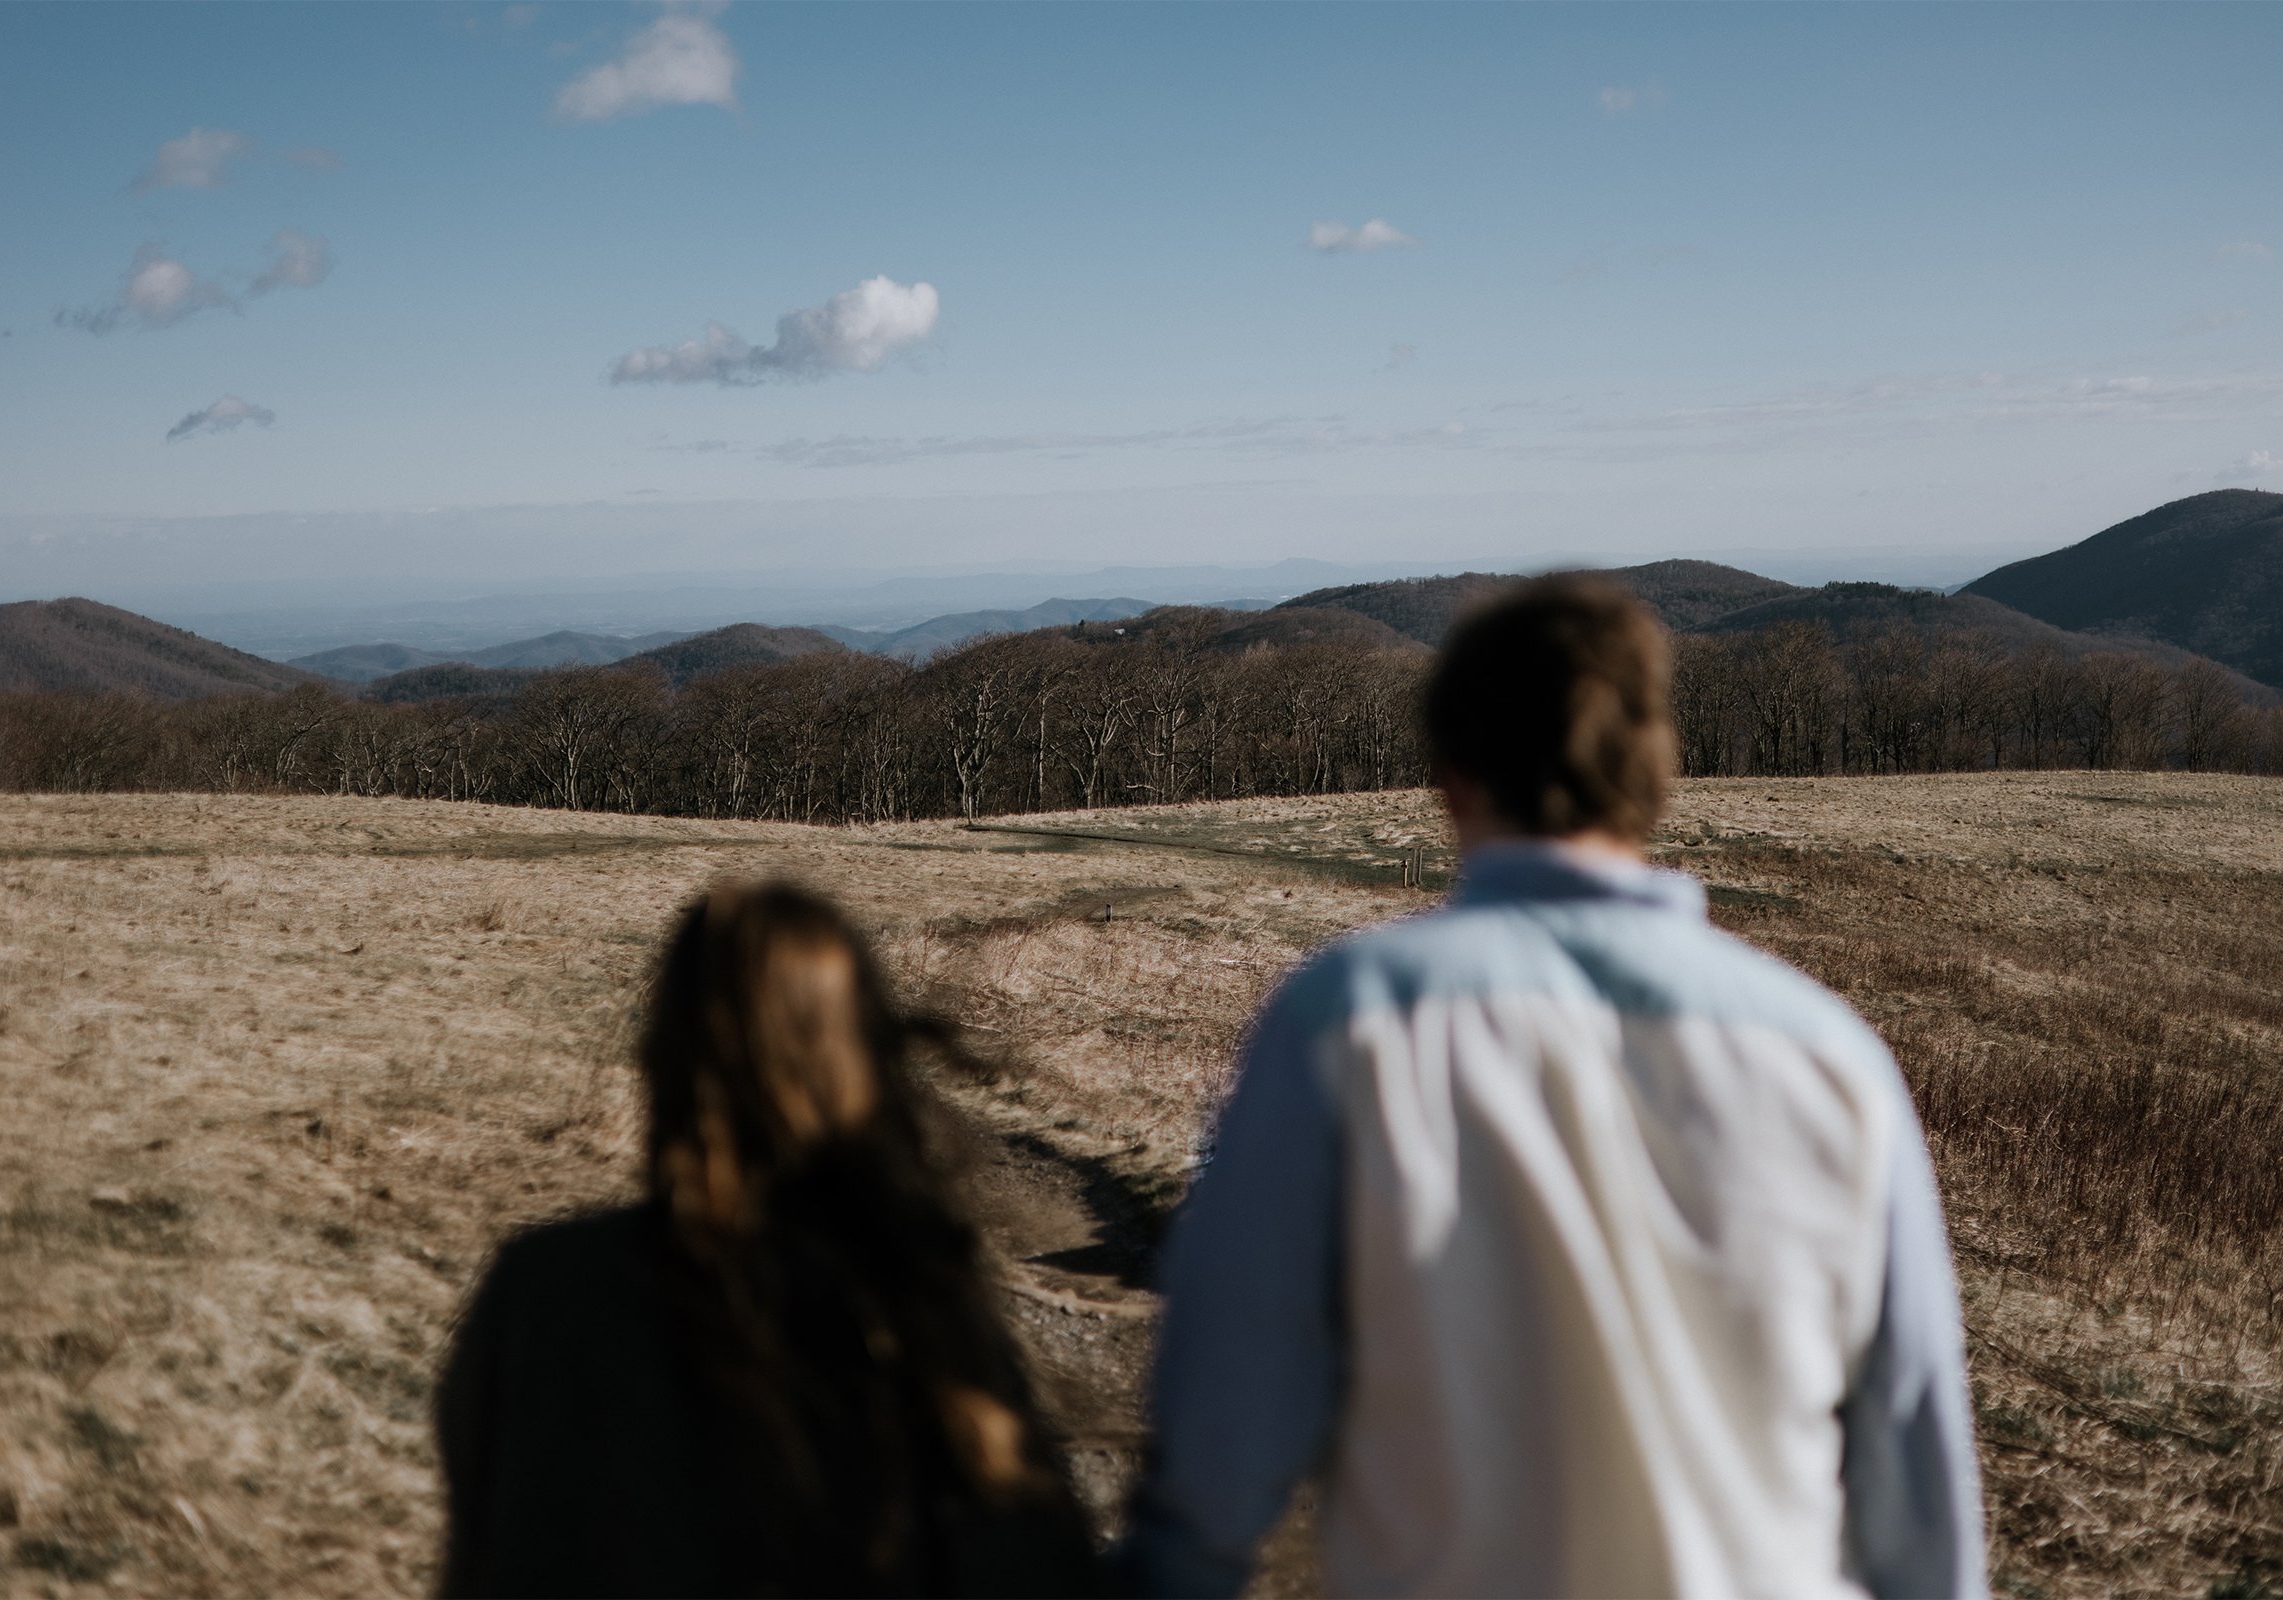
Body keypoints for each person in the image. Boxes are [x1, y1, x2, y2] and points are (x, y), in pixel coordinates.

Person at [1125, 577, 1984, 1599]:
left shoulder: (1347, 1020)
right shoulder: (1834, 1057)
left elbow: (1220, 1446)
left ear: (1450, 775)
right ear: (1658, 773)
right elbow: (1921, 1500)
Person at [435, 882, 1102, 1598]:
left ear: (665, 1056)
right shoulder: (910, 1294)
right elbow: (1035, 1563)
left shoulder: (539, 1292)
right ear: (861, 1059)